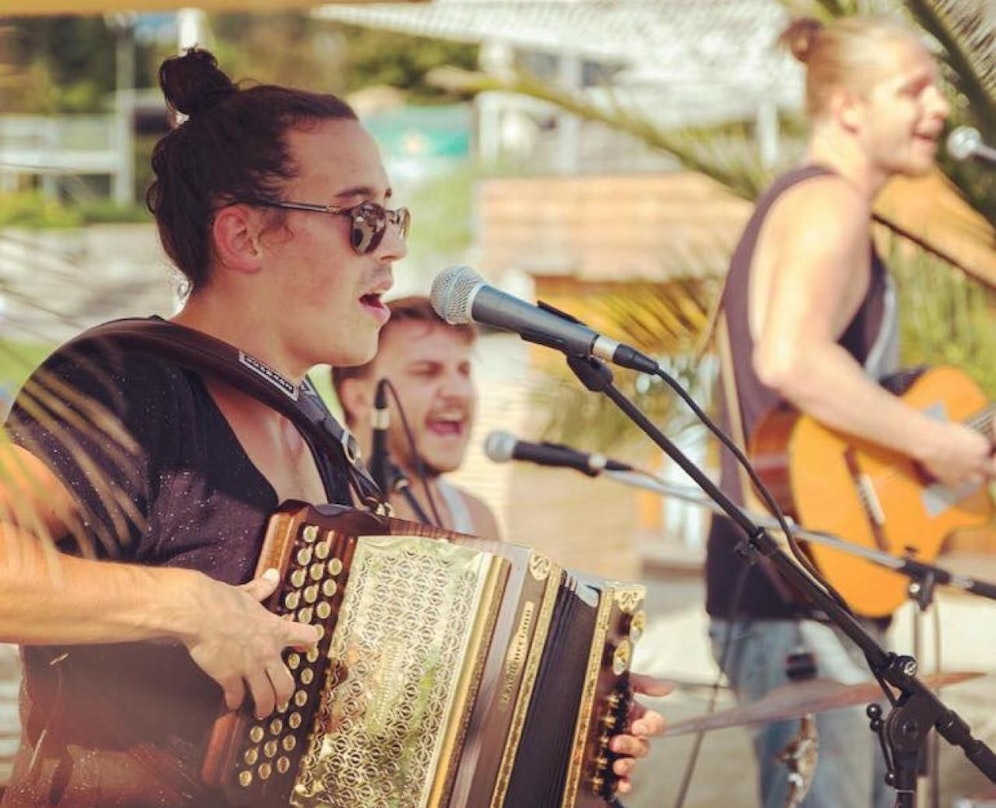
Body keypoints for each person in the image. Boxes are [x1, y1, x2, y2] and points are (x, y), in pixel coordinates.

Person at [0, 48, 665, 807]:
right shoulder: (130, 385)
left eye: (393, 214)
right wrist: (188, 606)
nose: (395, 246)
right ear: (245, 237)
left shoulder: (319, 434)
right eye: (362, 218)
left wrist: (566, 722)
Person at [705, 15, 996, 808]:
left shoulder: (813, 203)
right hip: (797, 600)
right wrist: (935, 443)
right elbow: (791, 357)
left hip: (807, 591)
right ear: (848, 107)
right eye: (913, 90)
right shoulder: (829, 204)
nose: (939, 107)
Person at [332, 294, 501, 539]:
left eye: (464, 371)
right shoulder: (319, 501)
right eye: (426, 372)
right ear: (359, 399)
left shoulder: (478, 519)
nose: (458, 391)